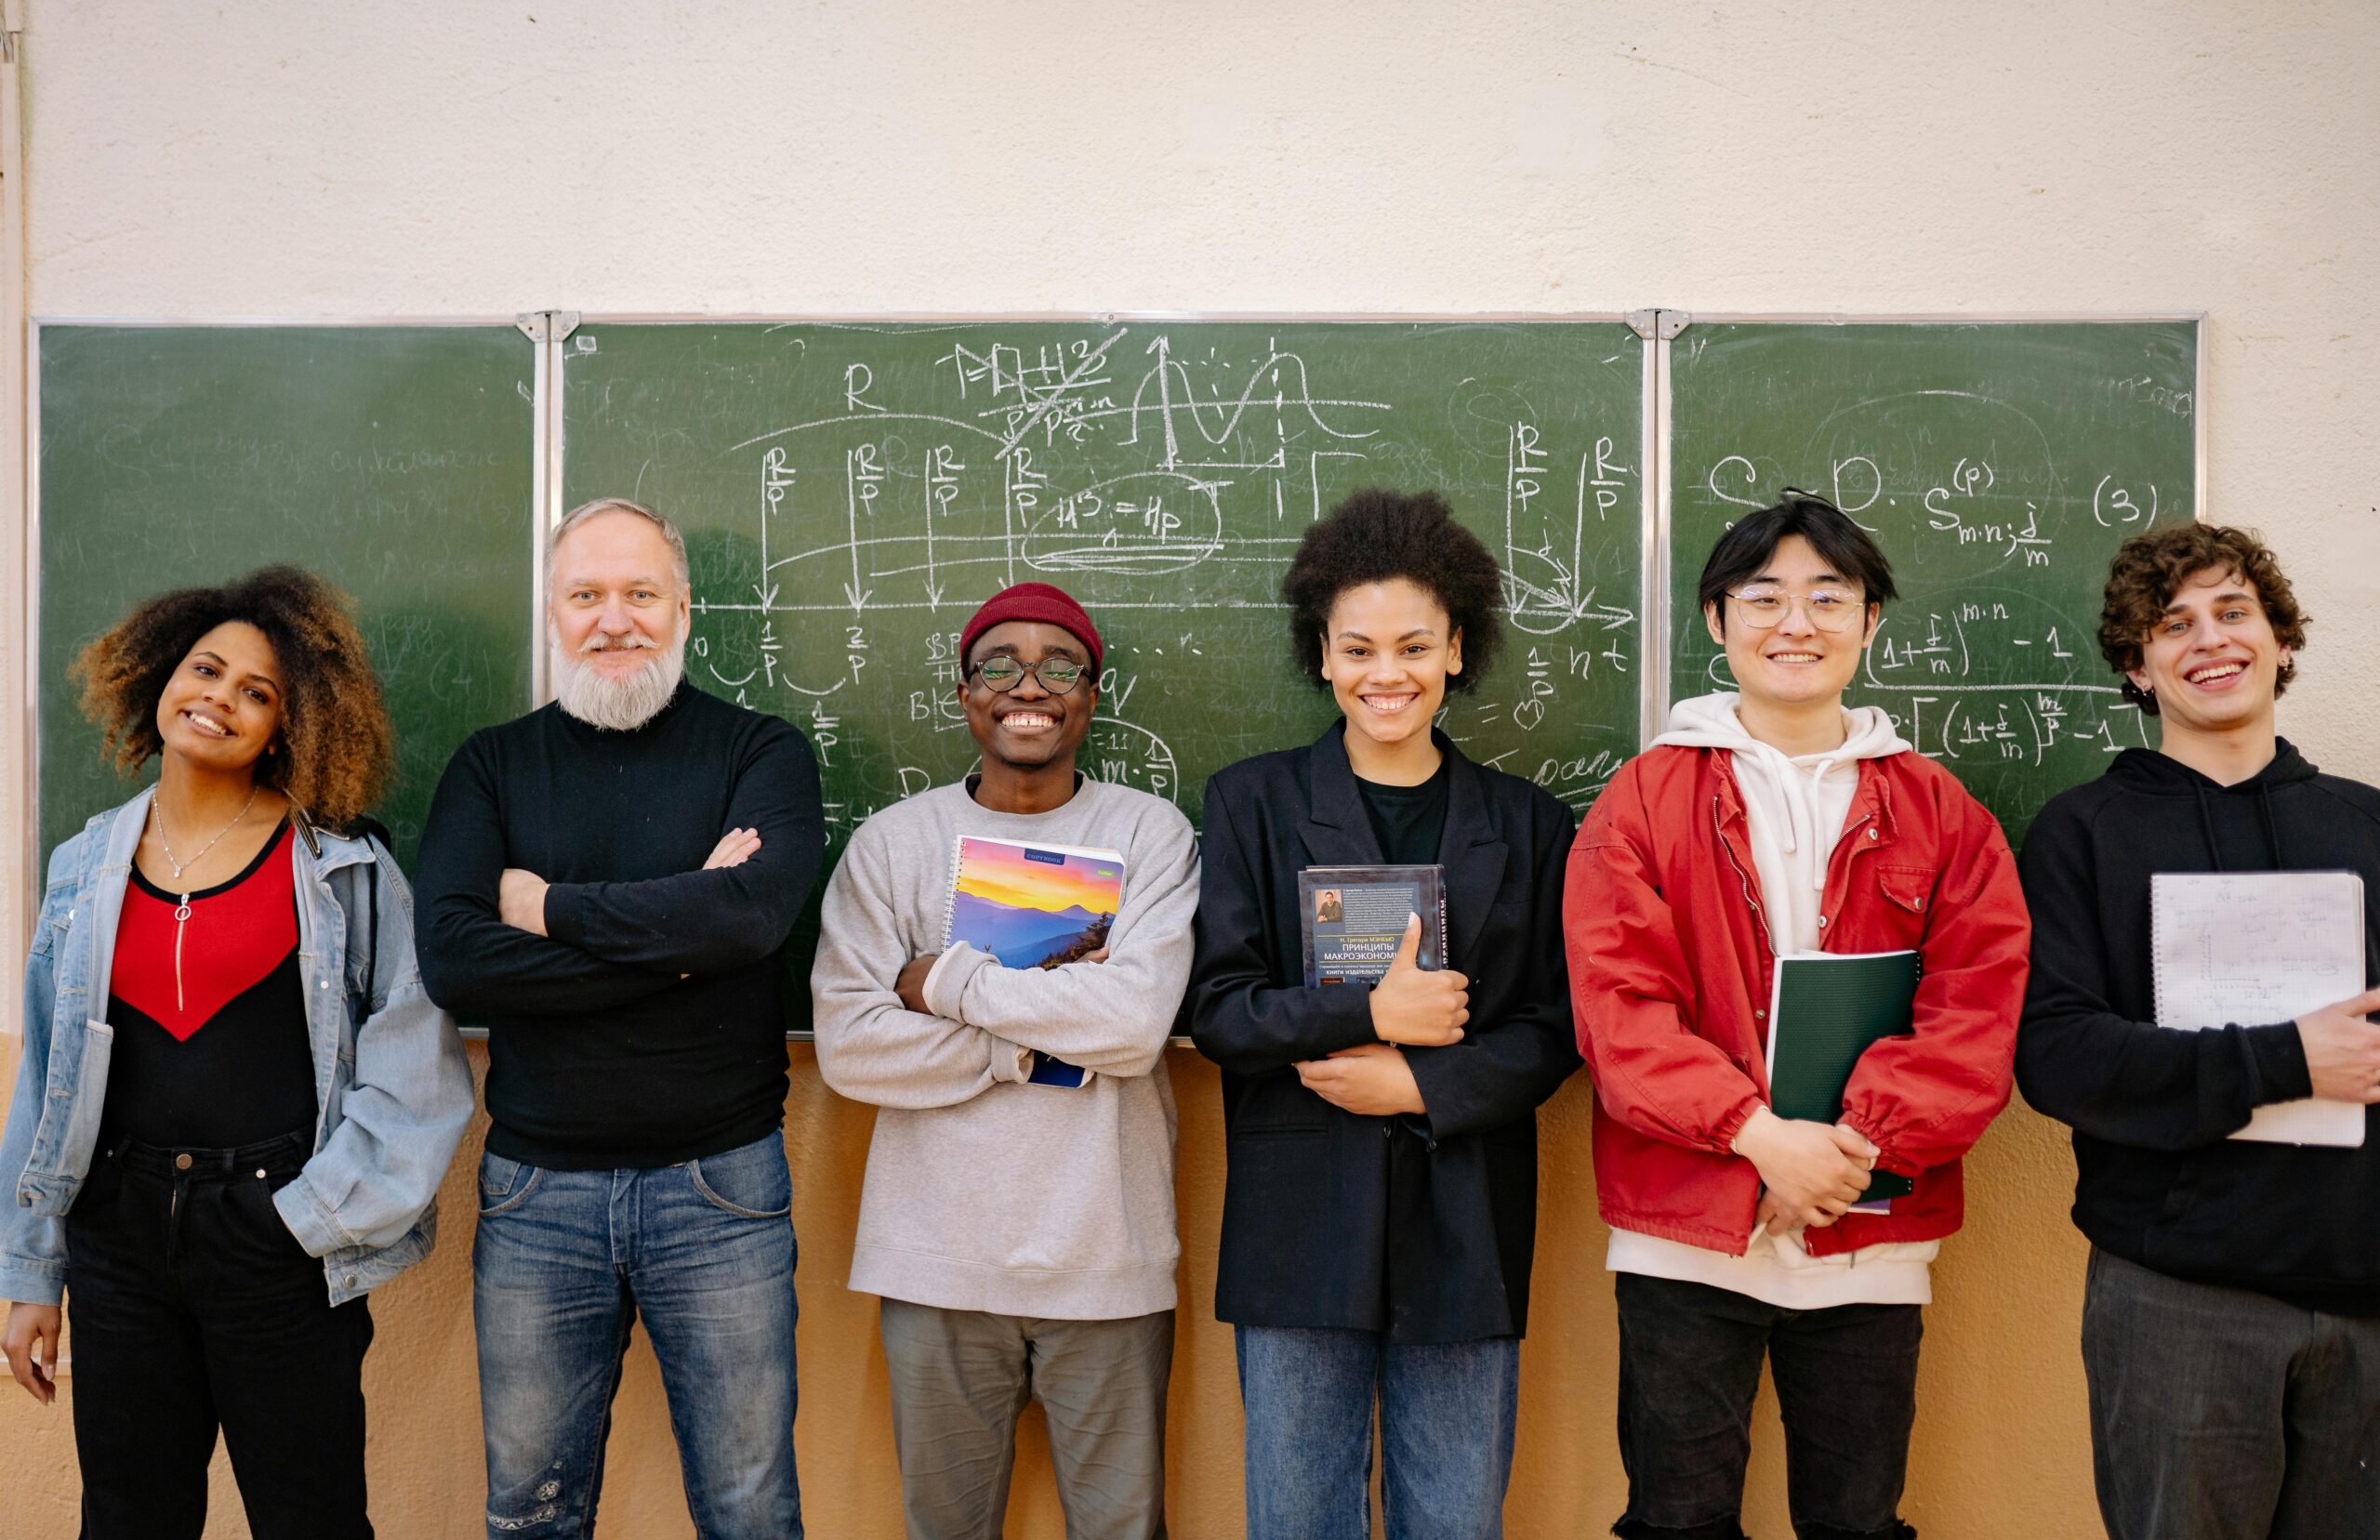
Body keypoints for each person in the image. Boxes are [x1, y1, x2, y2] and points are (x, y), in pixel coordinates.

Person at [1565, 491, 2030, 1540]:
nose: (1796, 622)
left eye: (1829, 596)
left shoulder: (1941, 811)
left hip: (1870, 1232)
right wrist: (1759, 1142)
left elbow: (1974, 1012)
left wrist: (1844, 1156)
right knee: (1675, 1519)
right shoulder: (1639, 801)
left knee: (1858, 1522)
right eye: (1763, 595)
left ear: (1869, 622)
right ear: (1715, 619)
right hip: (1685, 1237)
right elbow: (1619, 1011)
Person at [0, 567, 473, 1540]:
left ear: (289, 726)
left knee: (313, 1520)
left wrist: (305, 1219)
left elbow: (415, 1070)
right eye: (205, 669)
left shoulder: (344, 869)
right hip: (119, 1241)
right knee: (129, 1521)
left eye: (257, 692)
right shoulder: (84, 866)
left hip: (276, 1242)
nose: (219, 697)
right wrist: (31, 1273)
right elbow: (47, 1078)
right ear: (160, 676)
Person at [414, 497, 826, 1540]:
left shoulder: (761, 751)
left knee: (749, 1510)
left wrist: (545, 909)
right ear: (551, 613)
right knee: (532, 1514)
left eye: (640, 593)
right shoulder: (490, 765)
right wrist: (684, 939)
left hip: (720, 1189)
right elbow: (457, 962)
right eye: (586, 595)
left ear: (684, 607)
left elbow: (755, 915)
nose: (614, 620)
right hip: (537, 1192)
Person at [1188, 490, 1580, 1540]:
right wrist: (1368, 1010)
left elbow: (1554, 1027)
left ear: (1458, 647)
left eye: (1413, 645)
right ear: (1321, 654)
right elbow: (1217, 1010)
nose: (1386, 673)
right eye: (1357, 648)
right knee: (1295, 1518)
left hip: (1464, 1222)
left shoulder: (1529, 823)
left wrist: (1419, 1080)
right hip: (1299, 1221)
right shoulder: (1250, 802)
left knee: (1454, 1520)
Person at [2015, 524, 2380, 1540]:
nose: (2207, 641)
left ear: (2280, 640)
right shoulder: (2080, 832)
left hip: (2366, 1294)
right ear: (2136, 664)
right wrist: (2286, 1055)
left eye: (2232, 612)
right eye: (2170, 625)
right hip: (2177, 1296)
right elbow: (2057, 1056)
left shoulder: (2367, 823)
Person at [812, 581, 1198, 1540]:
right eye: (1000, 665)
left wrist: (944, 980)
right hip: (936, 1265)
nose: (1029, 685)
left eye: (1058, 664)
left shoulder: (1150, 837)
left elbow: (1132, 1026)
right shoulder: (891, 845)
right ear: (963, 692)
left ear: (1092, 692)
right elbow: (851, 1047)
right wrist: (1024, 1049)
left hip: (1106, 1260)